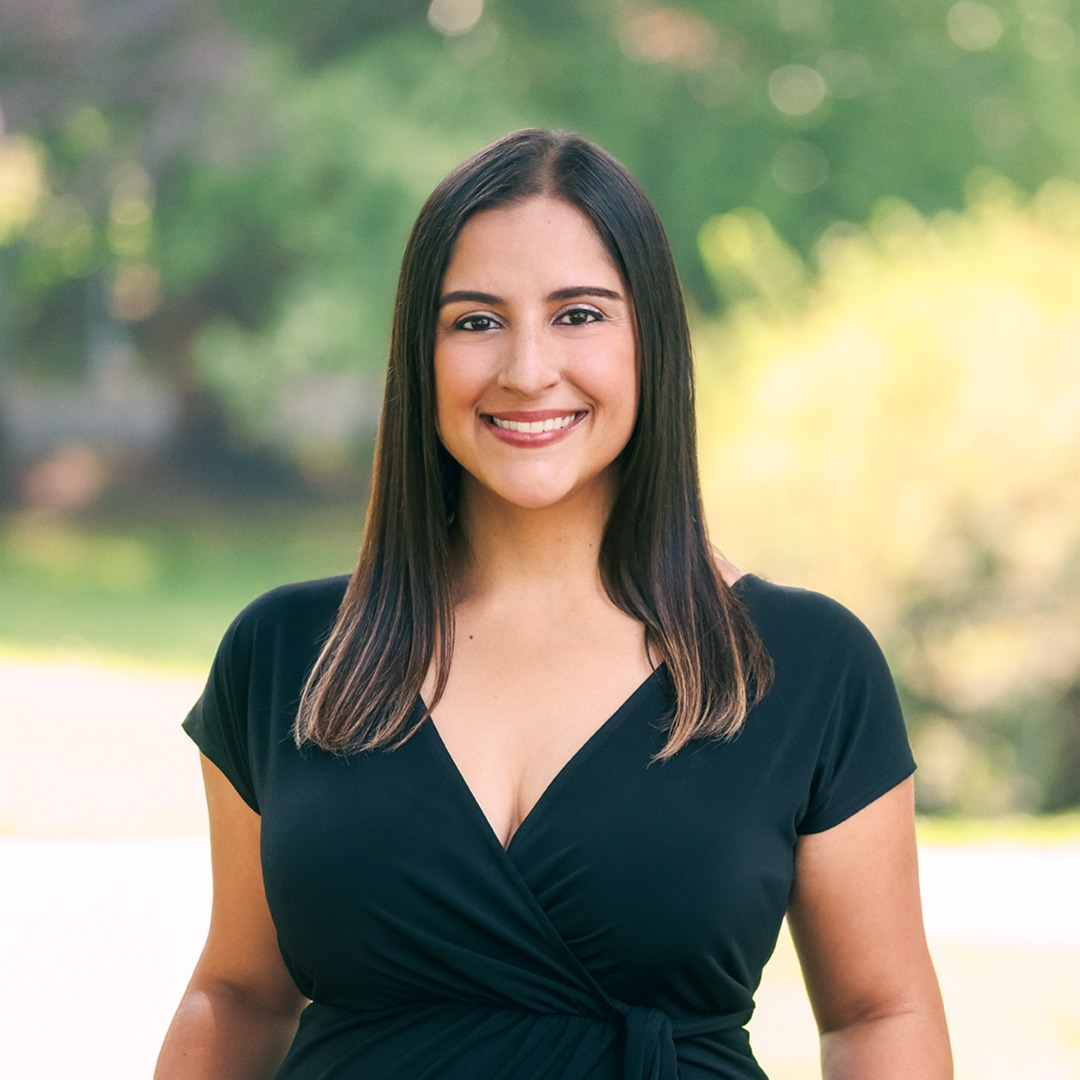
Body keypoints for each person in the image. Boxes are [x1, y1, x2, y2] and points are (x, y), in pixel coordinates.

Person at [156, 129, 951, 1080]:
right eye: (476, 321)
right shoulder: (287, 654)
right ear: (421, 354)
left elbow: (878, 1014)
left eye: (578, 314)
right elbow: (237, 995)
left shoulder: (804, 662)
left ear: (651, 338)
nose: (528, 369)